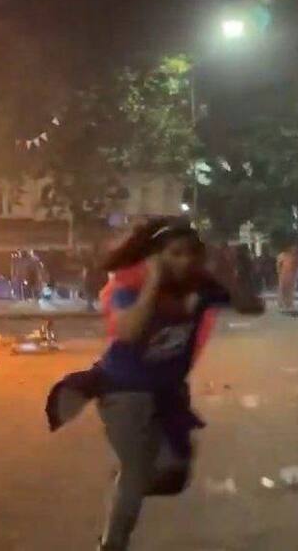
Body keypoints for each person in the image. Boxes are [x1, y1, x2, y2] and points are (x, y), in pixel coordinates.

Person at [45, 218, 262, 551]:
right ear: (156, 257)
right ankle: (113, 543)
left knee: (176, 472)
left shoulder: (199, 289)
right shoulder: (130, 287)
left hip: (166, 393)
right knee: (136, 473)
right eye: (175, 254)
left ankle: (127, 482)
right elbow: (128, 331)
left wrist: (226, 275)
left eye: (191, 254)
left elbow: (253, 306)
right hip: (123, 391)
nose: (184, 261)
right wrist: (152, 283)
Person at [276, 244, 298, 311]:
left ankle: (289, 304)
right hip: (283, 274)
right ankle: (281, 305)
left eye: (295, 249)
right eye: (293, 248)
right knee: (283, 290)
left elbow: (296, 266)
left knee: (290, 291)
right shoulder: (282, 255)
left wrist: (295, 275)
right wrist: (279, 273)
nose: (294, 250)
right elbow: (278, 265)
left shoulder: (294, 256)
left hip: (291, 275)